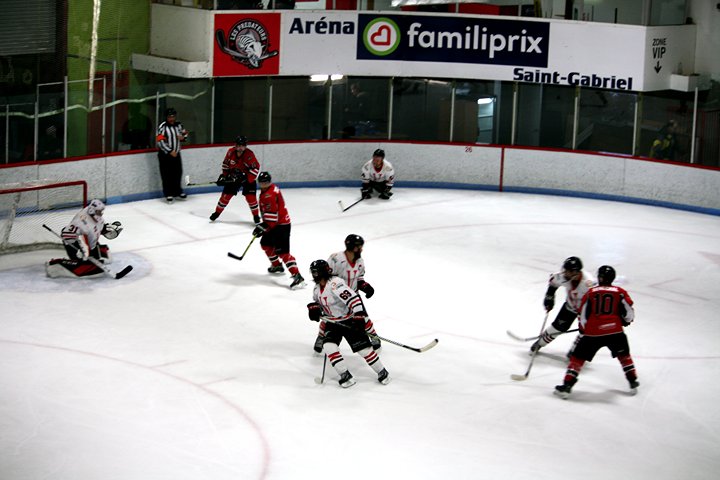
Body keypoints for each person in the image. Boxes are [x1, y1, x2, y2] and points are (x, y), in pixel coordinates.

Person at [554, 266, 639, 399]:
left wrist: (583, 329)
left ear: (600, 278)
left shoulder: (591, 292)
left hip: (593, 332)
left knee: (577, 358)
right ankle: (633, 381)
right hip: (615, 331)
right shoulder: (620, 291)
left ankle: (567, 386)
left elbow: (582, 314)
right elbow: (629, 311)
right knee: (624, 356)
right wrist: (627, 320)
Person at [307, 259, 391, 388]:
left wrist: (358, 315)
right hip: (332, 322)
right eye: (313, 272)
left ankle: (382, 372)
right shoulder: (317, 288)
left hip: (348, 320)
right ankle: (345, 375)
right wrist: (314, 309)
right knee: (329, 347)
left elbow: (353, 298)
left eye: (316, 272)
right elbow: (318, 303)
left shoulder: (335, 283)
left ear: (323, 272)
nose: (314, 275)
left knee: (364, 350)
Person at [313, 234, 381, 354]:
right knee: (329, 318)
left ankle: (373, 336)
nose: (361, 249)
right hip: (336, 297)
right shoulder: (335, 259)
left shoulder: (360, 262)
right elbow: (323, 277)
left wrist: (365, 286)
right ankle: (321, 337)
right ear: (355, 248)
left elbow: (359, 278)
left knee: (363, 316)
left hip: (352, 295)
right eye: (360, 247)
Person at [530, 256, 597, 358]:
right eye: (565, 270)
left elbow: (597, 298)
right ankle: (539, 343)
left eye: (568, 271)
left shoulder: (588, 283)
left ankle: (575, 351)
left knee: (586, 332)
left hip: (585, 310)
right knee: (557, 328)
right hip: (570, 306)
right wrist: (550, 295)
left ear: (576, 272)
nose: (565, 273)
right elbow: (553, 282)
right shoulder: (563, 276)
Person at [252, 171, 306, 290]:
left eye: (266, 182)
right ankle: (277, 266)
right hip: (274, 223)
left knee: (283, 252)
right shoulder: (271, 189)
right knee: (265, 244)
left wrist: (263, 227)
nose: (263, 184)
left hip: (280, 225)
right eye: (261, 182)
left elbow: (272, 216)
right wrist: (263, 225)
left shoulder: (269, 195)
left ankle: (297, 275)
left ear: (269, 182)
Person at [46, 199, 123, 278]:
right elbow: (66, 234)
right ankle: (57, 265)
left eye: (101, 211)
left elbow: (95, 228)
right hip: (73, 241)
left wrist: (105, 229)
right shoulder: (81, 222)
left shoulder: (94, 215)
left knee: (99, 261)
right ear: (92, 210)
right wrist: (81, 249)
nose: (100, 213)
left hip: (87, 239)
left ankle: (91, 256)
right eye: (98, 211)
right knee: (90, 266)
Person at [210, 135, 261, 224]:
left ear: (245, 146)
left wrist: (246, 178)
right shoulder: (230, 152)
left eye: (243, 146)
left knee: (251, 198)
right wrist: (224, 176)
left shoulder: (249, 155)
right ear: (236, 145)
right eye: (239, 146)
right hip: (233, 177)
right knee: (225, 196)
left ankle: (256, 216)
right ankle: (217, 213)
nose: (241, 148)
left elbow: (256, 169)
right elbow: (226, 165)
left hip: (247, 178)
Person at [156, 107, 188, 203]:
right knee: (167, 174)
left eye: (173, 116)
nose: (172, 118)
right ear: (166, 117)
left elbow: (185, 135)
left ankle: (177, 192)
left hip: (176, 153)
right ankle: (168, 193)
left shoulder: (179, 125)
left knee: (177, 173)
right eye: (170, 116)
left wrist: (182, 137)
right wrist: (170, 151)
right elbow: (160, 141)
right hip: (165, 154)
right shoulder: (163, 126)